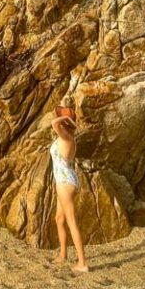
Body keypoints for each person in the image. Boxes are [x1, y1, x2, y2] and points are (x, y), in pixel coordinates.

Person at [50, 106, 89, 273]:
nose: (56, 116)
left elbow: (53, 123)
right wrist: (66, 120)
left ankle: (82, 263)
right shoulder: (65, 136)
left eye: (61, 117)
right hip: (63, 180)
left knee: (71, 221)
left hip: (65, 182)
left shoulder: (66, 136)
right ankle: (63, 253)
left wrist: (66, 120)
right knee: (59, 219)